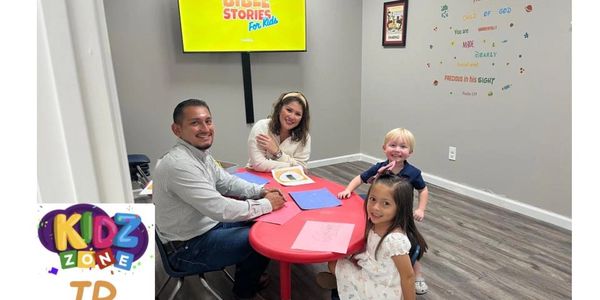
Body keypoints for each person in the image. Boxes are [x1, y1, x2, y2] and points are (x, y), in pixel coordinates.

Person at [153, 99, 286, 300]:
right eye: (195, 122)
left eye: (208, 121)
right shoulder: (179, 165)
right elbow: (219, 208)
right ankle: (244, 292)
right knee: (262, 239)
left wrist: (261, 191)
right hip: (185, 248)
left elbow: (227, 183)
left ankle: (248, 277)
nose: (205, 128)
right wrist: (267, 204)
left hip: (203, 228)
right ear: (177, 129)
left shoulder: (199, 154)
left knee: (260, 222)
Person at [337, 127, 430, 294]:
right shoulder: (380, 168)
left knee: (410, 247)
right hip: (381, 216)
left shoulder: (413, 173)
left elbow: (423, 190)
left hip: (401, 217)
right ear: (384, 148)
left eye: (403, 147)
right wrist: (348, 189)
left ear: (410, 152)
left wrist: (421, 209)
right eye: (392, 145)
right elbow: (361, 177)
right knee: (374, 239)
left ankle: (418, 274)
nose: (397, 150)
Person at [319, 174, 428, 300]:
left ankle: (342, 283)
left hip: (381, 289)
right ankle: (342, 281)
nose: (375, 207)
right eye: (372, 199)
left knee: (335, 264)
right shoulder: (376, 222)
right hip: (370, 270)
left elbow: (408, 276)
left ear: (400, 208)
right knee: (333, 261)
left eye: (386, 203)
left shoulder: (395, 240)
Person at [247, 91, 311, 172]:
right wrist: (293, 166)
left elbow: (302, 166)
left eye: (298, 114)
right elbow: (258, 164)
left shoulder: (305, 136)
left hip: (289, 178)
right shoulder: (261, 127)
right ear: (279, 108)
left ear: (302, 118)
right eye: (289, 110)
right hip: (257, 177)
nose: (292, 117)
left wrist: (278, 153)